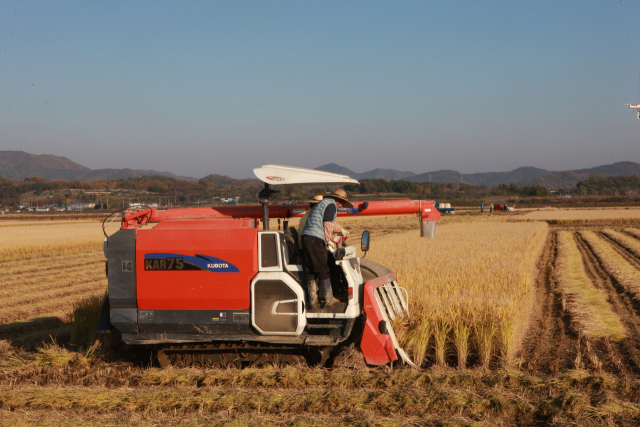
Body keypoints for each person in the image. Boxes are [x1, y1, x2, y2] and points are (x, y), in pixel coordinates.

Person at [301, 189, 351, 309]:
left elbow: (327, 222)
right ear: (339, 200)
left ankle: (313, 300)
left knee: (310, 270)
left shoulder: (322, 204)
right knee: (322, 267)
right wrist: (329, 240)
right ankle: (329, 298)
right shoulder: (331, 205)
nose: (342, 206)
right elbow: (327, 224)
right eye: (342, 203)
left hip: (306, 238)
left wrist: (341, 229)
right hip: (315, 238)